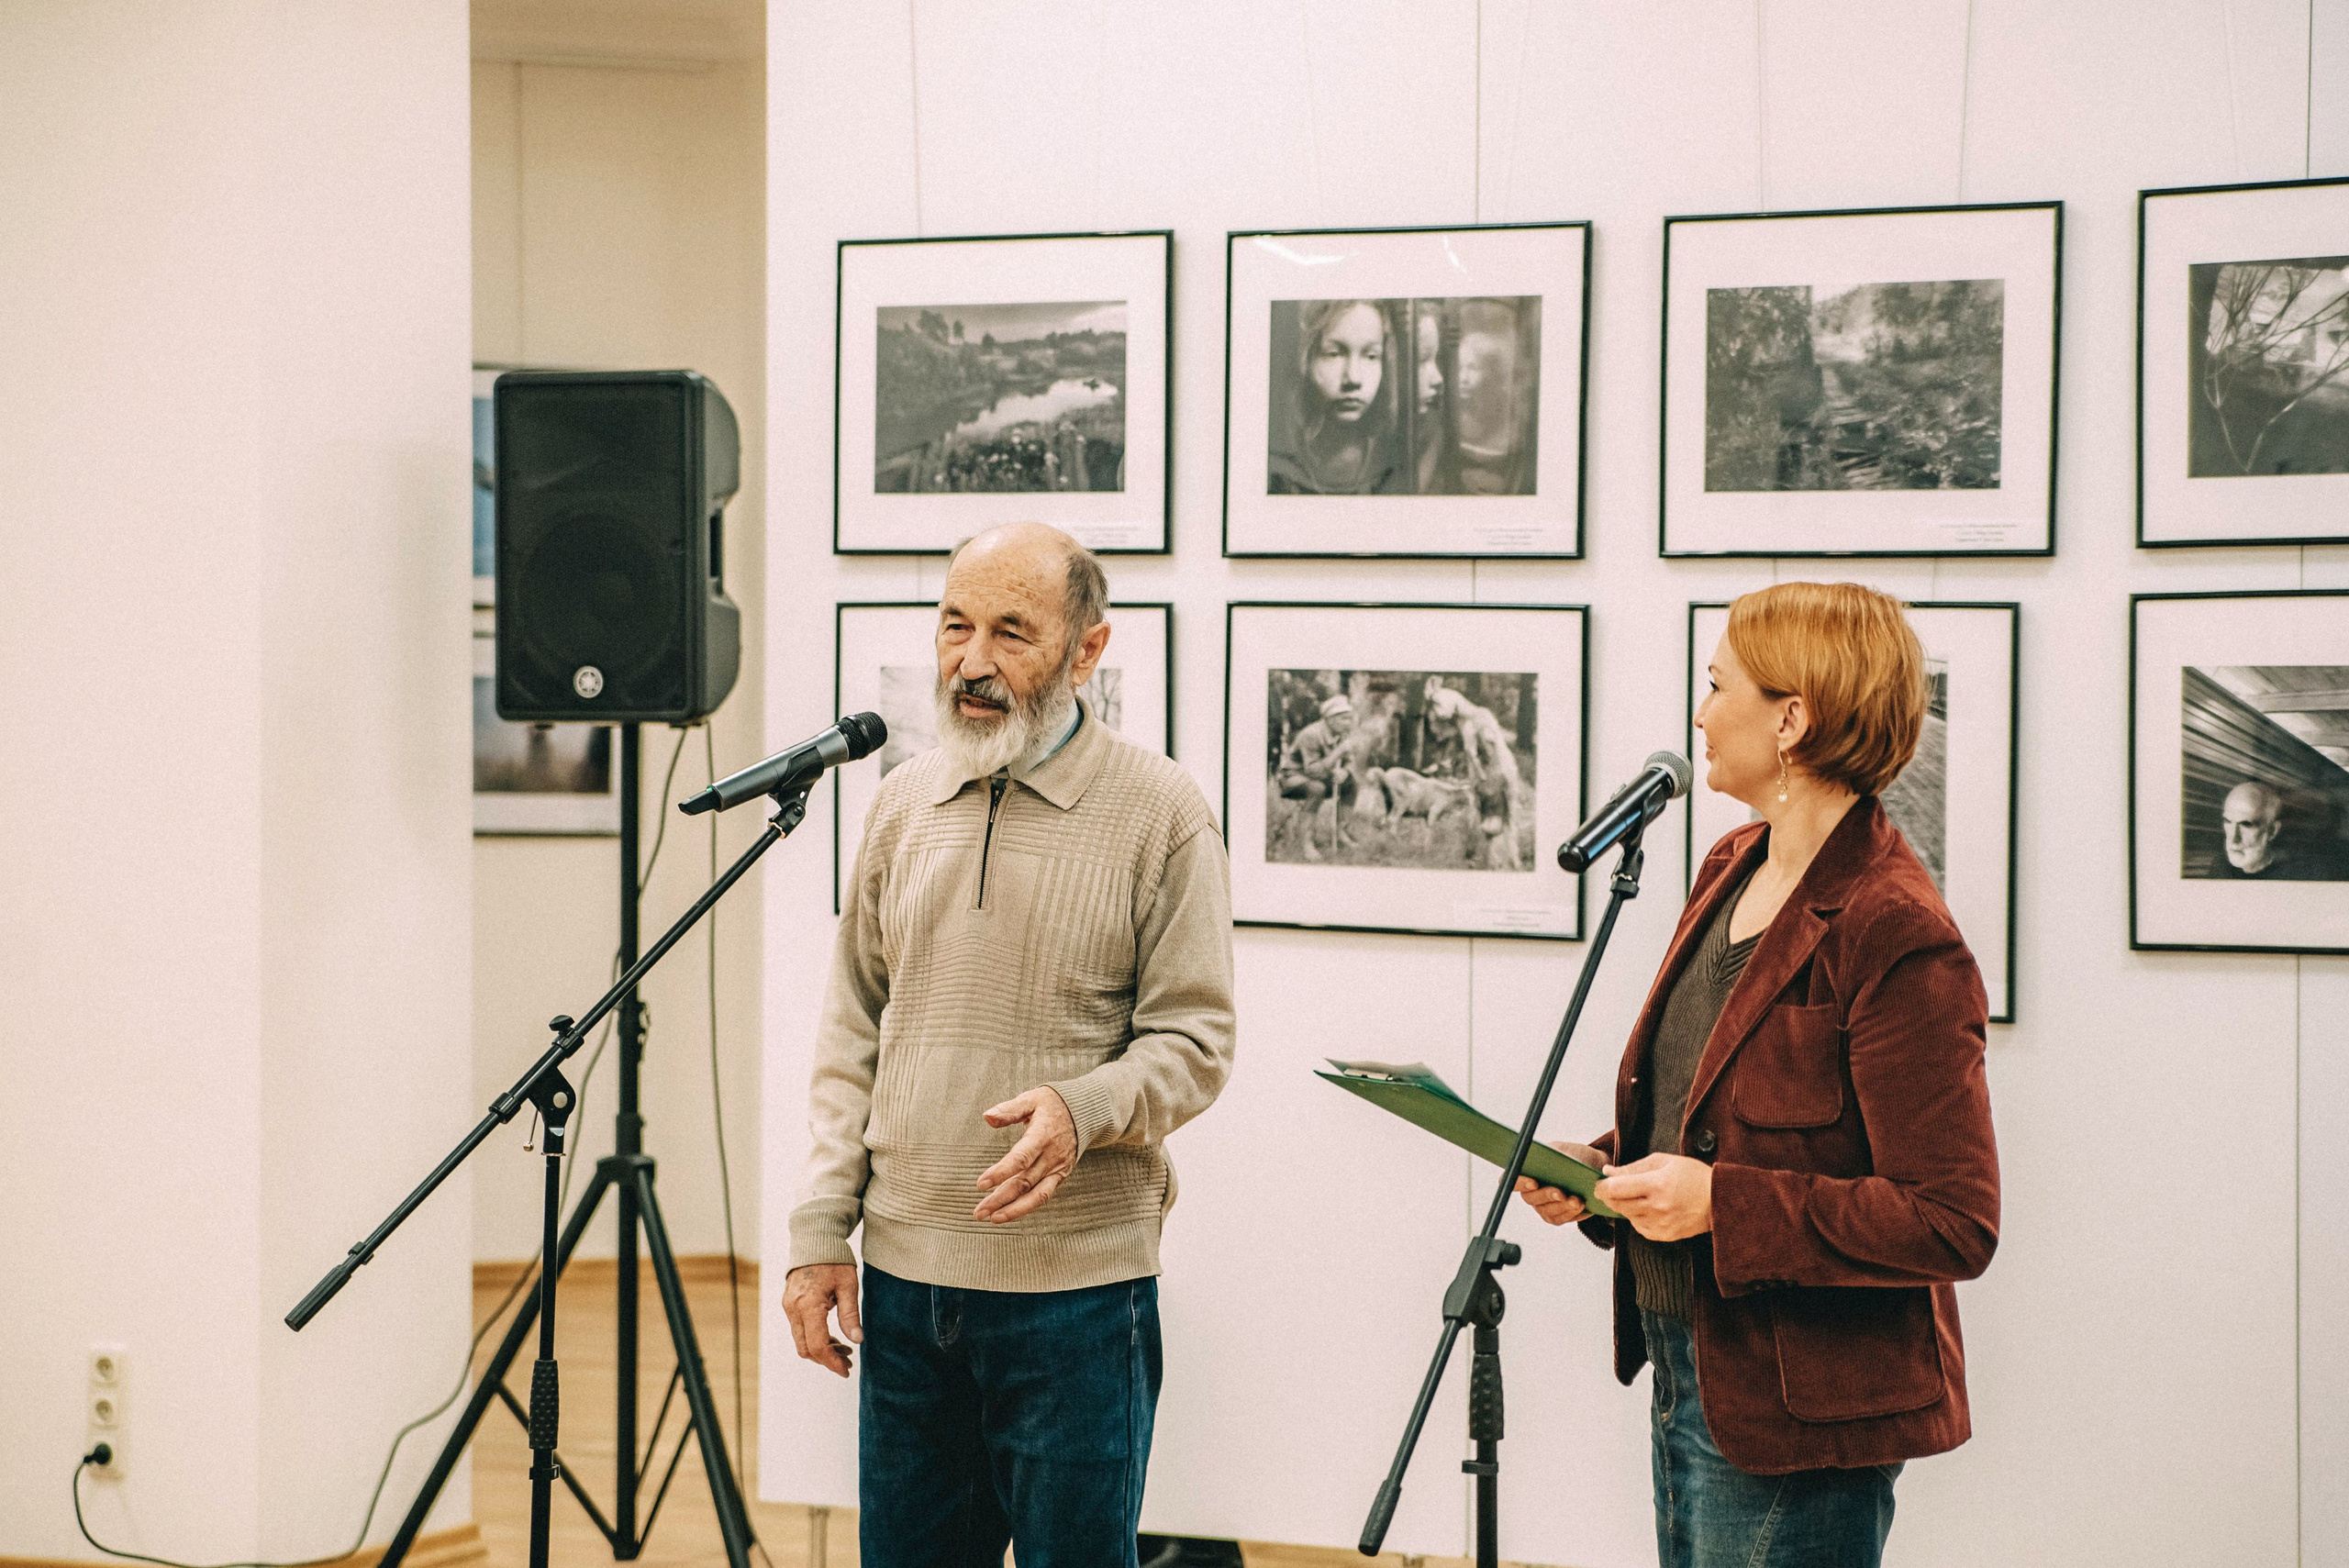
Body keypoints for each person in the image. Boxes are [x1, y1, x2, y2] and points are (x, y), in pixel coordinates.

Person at [1517, 581, 1999, 1568]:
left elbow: (1952, 1217)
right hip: (1689, 1358)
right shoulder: (1730, 862)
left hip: (1800, 1410)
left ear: (1792, 717)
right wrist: (1604, 1171)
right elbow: (1723, 1117)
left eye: (1715, 684)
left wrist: (1719, 1204)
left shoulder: (1894, 927)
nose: (1698, 712)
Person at [783, 522, 1237, 1567]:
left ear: (1088, 649)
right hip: (904, 1287)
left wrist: (1084, 1109)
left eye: (1012, 633)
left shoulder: (1161, 811)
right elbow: (853, 1024)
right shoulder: (902, 802)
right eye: (955, 624)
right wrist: (819, 1229)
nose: (973, 661)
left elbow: (1196, 1039)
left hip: (1074, 1301)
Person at [1268, 298, 1402, 495]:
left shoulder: (1394, 461)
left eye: (1371, 356)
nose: (1353, 378)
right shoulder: (1278, 467)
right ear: (1307, 359)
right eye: (1334, 354)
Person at [2207, 778, 2347, 880]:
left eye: (2247, 824)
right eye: (2228, 821)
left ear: (2272, 831)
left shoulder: (2306, 874)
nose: (2234, 840)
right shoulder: (2220, 867)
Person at [1275, 694, 1359, 861]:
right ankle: (1306, 843)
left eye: (1349, 719)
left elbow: (1350, 762)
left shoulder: (1342, 734)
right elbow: (1313, 770)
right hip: (1292, 778)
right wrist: (1339, 752)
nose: (1349, 723)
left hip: (1319, 776)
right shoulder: (1311, 735)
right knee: (1317, 789)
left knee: (1352, 784)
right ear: (1330, 718)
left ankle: (1341, 830)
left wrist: (1345, 772)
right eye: (1344, 719)